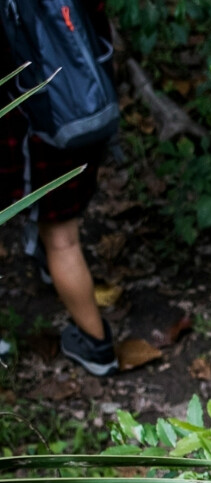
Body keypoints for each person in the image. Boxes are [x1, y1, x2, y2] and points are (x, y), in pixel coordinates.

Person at [4, 0, 119, 377]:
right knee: (65, 233)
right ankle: (96, 343)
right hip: (87, 110)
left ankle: (95, 345)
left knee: (62, 241)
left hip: (36, 127)